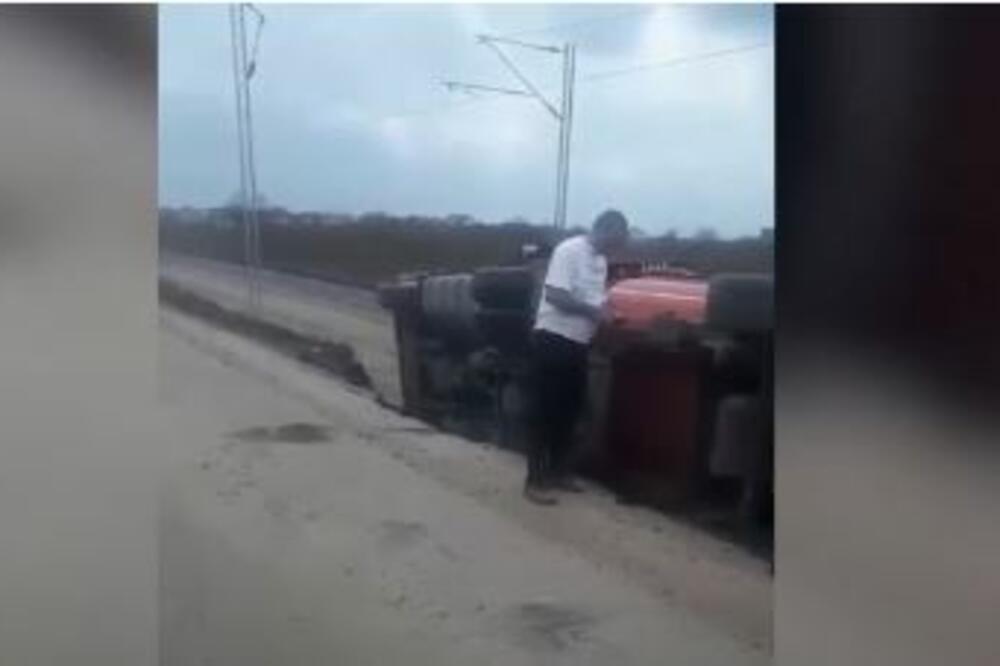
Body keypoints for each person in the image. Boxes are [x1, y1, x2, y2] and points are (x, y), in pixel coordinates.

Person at [524, 209, 630, 505]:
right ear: (604, 230)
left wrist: (610, 312)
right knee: (545, 411)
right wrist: (593, 312)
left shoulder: (600, 261)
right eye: (615, 241)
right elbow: (556, 295)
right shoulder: (569, 250)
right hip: (553, 338)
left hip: (578, 343)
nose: (616, 248)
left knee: (569, 411)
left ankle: (558, 472)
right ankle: (535, 481)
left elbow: (596, 299)